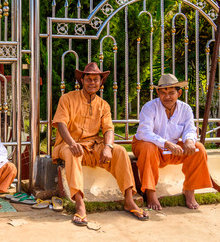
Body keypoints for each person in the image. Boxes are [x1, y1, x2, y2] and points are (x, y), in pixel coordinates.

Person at [52, 62, 148, 226]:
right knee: (72, 152)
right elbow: (60, 123)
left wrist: (108, 147)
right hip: (68, 144)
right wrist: (72, 142)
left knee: (120, 151)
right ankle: (80, 204)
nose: (92, 83)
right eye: (88, 79)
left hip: (93, 145)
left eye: (96, 79)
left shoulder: (103, 105)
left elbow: (109, 129)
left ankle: (129, 200)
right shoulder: (67, 98)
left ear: (101, 82)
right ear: (82, 80)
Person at [132, 74, 212, 210]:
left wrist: (189, 141)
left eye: (171, 93)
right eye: (163, 93)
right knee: (148, 147)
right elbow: (144, 133)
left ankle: (189, 190)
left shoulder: (185, 109)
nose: (167, 97)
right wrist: (166, 143)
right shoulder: (149, 107)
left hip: (172, 149)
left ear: (179, 93)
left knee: (198, 149)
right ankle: (150, 192)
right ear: (157, 93)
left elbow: (190, 129)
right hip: (149, 147)